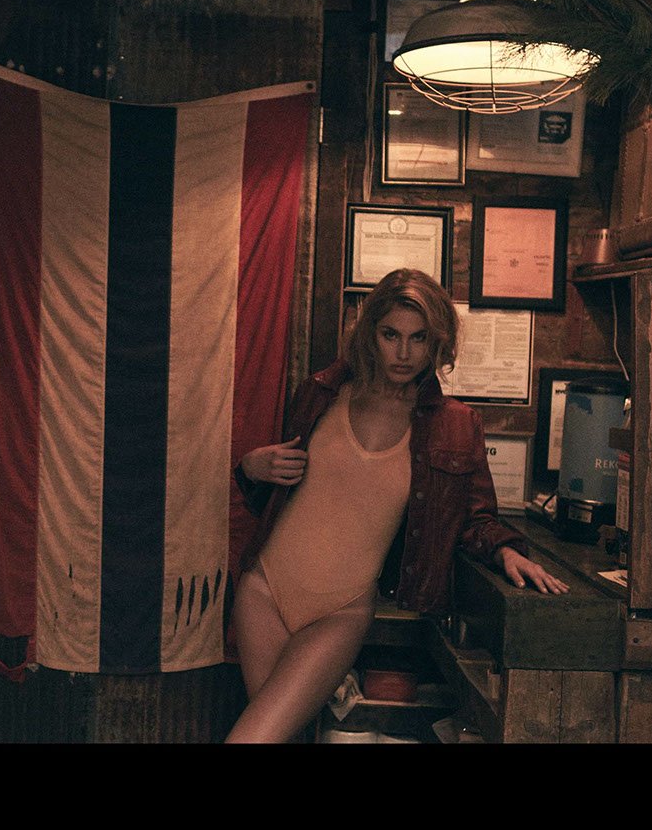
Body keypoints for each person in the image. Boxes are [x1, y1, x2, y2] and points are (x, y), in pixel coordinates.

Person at [226, 268, 568, 744]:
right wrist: (251, 466)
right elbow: (278, 494)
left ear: (437, 341)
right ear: (371, 334)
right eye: (391, 335)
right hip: (262, 591)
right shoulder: (320, 393)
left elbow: (475, 517)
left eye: (418, 338)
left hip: (340, 611)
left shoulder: (454, 425)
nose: (403, 353)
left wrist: (506, 550)